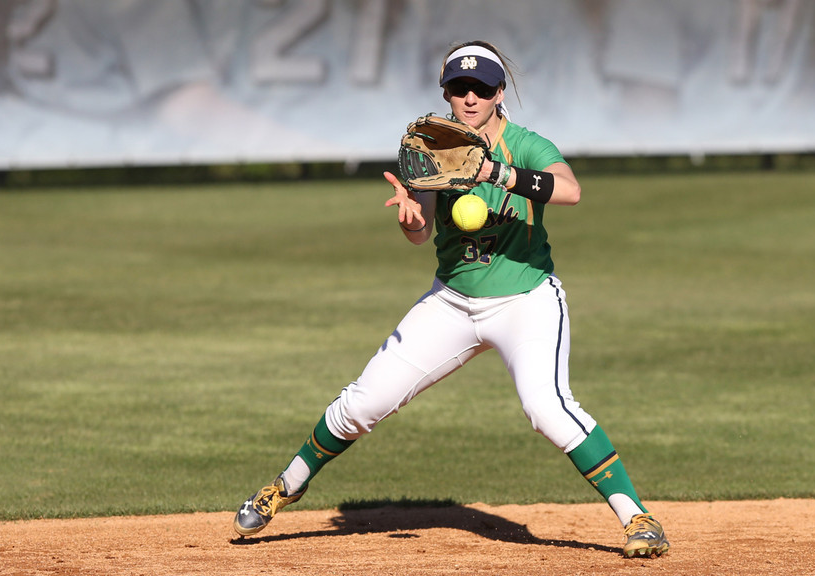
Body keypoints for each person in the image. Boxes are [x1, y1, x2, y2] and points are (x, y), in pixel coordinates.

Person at [232, 40, 669, 559]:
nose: (469, 98)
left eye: (481, 88)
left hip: (526, 297)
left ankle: (638, 517)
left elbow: (570, 190)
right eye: (459, 88)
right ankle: (286, 485)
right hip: (452, 302)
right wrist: (413, 220)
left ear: (499, 93)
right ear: (446, 93)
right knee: (363, 403)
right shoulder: (430, 147)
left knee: (546, 408)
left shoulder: (523, 144)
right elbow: (420, 234)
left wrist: (496, 174)